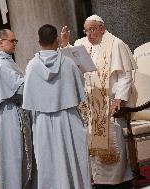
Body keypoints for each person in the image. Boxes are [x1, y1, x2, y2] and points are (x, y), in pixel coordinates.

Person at [61, 15, 137, 189]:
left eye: (92, 29)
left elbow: (125, 74)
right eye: (86, 30)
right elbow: (72, 60)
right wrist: (65, 44)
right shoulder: (83, 44)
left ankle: (118, 181)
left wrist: (119, 98)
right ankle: (100, 181)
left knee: (113, 140)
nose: (89, 34)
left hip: (109, 102)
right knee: (91, 144)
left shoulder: (116, 44)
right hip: (91, 104)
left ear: (102, 28)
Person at [22, 24, 91, 189]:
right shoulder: (68, 63)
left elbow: (29, 101)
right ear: (56, 40)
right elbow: (80, 88)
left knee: (49, 163)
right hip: (68, 119)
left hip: (43, 122)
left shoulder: (32, 66)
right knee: (73, 159)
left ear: (39, 42)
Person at [0, 29, 35, 189]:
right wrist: (33, 72)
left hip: (14, 111)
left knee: (19, 154)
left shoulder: (6, 61)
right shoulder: (1, 65)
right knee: (14, 155)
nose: (15, 44)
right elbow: (20, 87)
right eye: (12, 41)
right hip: (10, 114)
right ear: (1, 42)